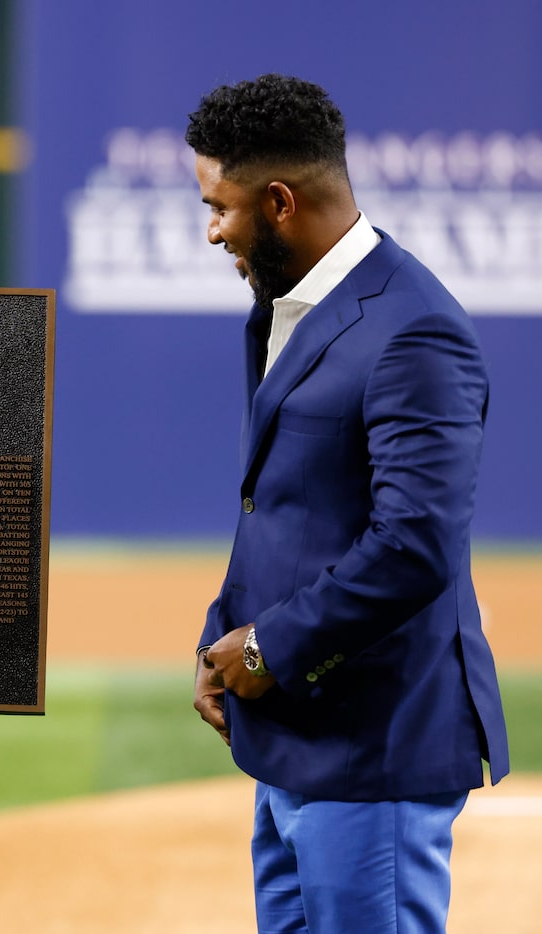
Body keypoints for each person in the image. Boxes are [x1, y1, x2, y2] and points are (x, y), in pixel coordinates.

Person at [186, 74, 509, 933]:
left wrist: (268, 647)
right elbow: (284, 505)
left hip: (376, 751)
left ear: (280, 201)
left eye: (218, 205)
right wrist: (224, 633)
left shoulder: (415, 328)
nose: (211, 228)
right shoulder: (282, 311)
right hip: (298, 740)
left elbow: (414, 543)